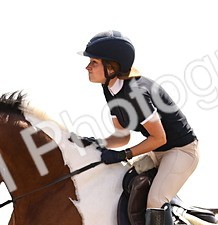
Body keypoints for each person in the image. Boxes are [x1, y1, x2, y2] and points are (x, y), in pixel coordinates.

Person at [79, 30, 199, 209]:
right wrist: (99, 143)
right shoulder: (110, 88)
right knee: (116, 179)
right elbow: (122, 136)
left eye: (93, 62)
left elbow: (160, 138)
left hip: (181, 152)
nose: (87, 67)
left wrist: (124, 154)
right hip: (157, 152)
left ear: (111, 68)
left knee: (155, 201)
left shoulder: (136, 94)